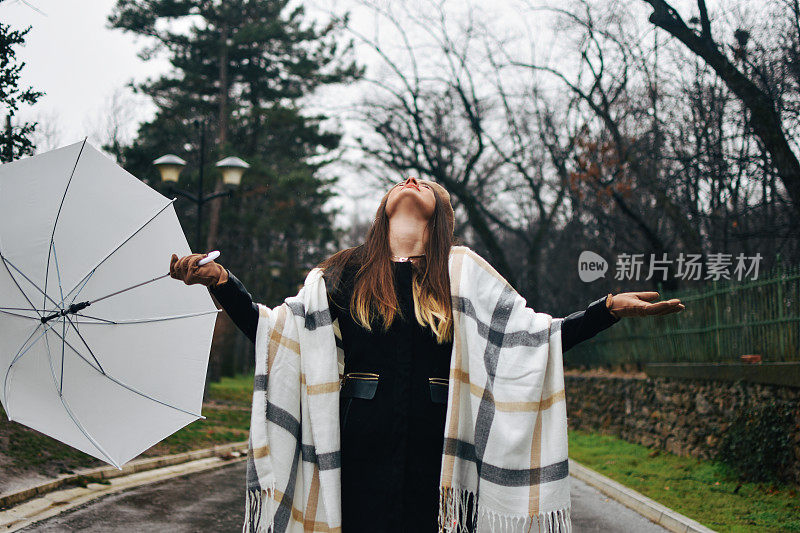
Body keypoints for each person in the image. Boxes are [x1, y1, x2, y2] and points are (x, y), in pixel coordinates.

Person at [169, 176, 684, 532]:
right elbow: (277, 332)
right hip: (358, 443)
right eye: (401, 182)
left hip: (441, 448)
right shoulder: (345, 271)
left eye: (426, 186)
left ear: (441, 212)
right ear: (383, 207)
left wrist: (606, 310)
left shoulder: (462, 273)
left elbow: (531, 338)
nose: (411, 181)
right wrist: (222, 282)